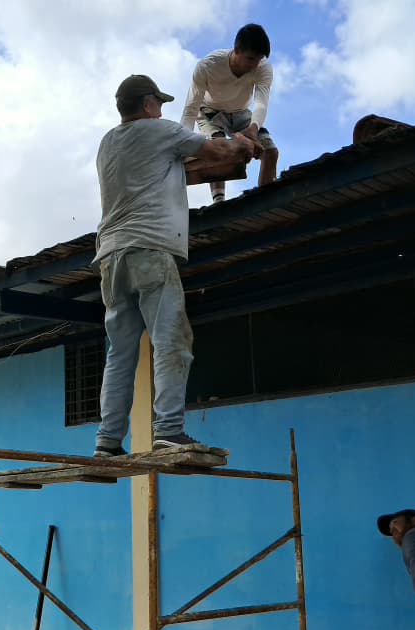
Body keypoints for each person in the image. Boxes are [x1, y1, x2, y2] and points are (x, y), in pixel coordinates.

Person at [93, 75, 253, 458]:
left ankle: (107, 441)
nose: (163, 109)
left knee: (120, 353)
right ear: (148, 105)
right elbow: (217, 152)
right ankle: (168, 429)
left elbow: (160, 170)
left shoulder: (107, 143)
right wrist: (244, 144)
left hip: (111, 255)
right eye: (159, 103)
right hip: (150, 248)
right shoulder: (159, 131)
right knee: (171, 341)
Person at [180, 23, 278, 204]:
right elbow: (190, 109)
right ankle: (219, 202)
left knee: (270, 152)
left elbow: (261, 103)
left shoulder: (262, 67)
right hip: (210, 112)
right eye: (250, 59)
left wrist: (253, 129)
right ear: (237, 50)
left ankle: (266, 202)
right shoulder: (207, 66)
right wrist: (181, 142)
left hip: (241, 112)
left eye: (259, 59)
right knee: (219, 147)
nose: (255, 65)